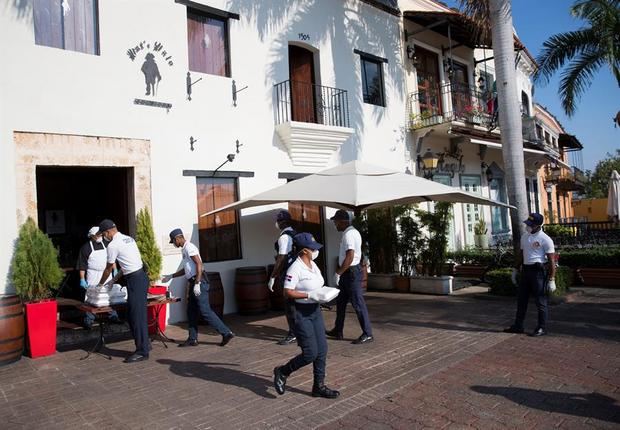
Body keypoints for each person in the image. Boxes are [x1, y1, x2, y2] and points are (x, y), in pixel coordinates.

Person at [273, 233, 340, 399]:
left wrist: (323, 293)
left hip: (314, 310)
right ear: (303, 250)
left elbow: (318, 284)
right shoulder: (295, 268)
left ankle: (319, 386)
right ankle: (282, 371)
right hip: (300, 313)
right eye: (312, 249)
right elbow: (287, 292)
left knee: (322, 350)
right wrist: (308, 295)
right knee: (310, 353)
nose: (315, 251)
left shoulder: (312, 264)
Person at [162, 229, 234, 348]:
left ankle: (226, 333)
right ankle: (192, 339)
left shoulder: (190, 247)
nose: (174, 244)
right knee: (191, 311)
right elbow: (187, 269)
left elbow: (199, 264)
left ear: (177, 238)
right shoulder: (184, 249)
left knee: (205, 311)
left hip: (199, 281)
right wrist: (171, 275)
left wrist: (197, 283)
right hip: (193, 281)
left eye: (173, 241)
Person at [96, 219, 151, 363]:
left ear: (108, 232)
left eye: (103, 234)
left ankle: (142, 351)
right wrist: (113, 281)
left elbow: (109, 268)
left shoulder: (113, 245)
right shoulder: (128, 238)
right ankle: (145, 344)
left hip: (135, 280)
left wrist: (100, 284)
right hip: (140, 277)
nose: (104, 237)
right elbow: (127, 265)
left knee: (136, 317)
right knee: (136, 315)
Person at [504, 213, 556, 337]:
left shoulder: (545, 239)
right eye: (528, 224)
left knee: (540, 302)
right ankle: (518, 325)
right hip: (526, 271)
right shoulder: (524, 237)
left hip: (538, 272)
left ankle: (541, 327)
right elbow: (521, 255)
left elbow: (551, 261)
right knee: (521, 300)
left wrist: (551, 279)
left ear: (538, 225)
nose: (528, 226)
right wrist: (515, 269)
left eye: (531, 225)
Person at [326, 210, 374, 344]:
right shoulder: (350, 233)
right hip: (348, 272)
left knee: (358, 303)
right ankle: (338, 330)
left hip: (351, 273)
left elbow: (350, 256)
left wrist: (338, 273)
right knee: (340, 303)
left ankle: (368, 333)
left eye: (336, 222)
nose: (335, 224)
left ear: (343, 221)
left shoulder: (349, 235)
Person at [77, 226, 120, 328]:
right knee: (91, 297)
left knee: (109, 295)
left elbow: (111, 259)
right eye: (98, 235)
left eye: (101, 234)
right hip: (93, 275)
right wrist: (82, 278)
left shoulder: (107, 244)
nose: (100, 236)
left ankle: (113, 315)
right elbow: (82, 265)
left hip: (106, 273)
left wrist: (115, 270)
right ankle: (89, 319)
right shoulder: (86, 248)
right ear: (92, 236)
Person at [268, 210, 298, 345]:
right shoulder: (294, 233)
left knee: (290, 305)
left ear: (282, 222)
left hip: (288, 273)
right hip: (297, 271)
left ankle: (293, 334)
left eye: (278, 221)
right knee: (297, 304)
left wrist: (273, 276)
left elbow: (281, 258)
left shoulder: (284, 237)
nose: (276, 223)